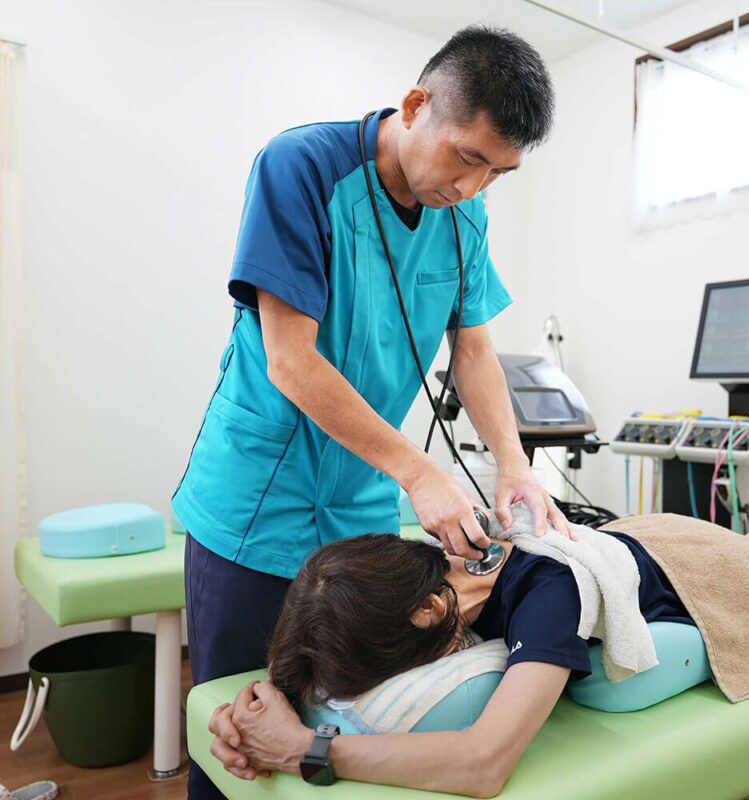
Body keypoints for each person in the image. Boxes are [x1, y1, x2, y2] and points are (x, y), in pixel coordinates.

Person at [170, 26, 570, 799]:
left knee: (346, 722)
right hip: (257, 500)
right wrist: (421, 474)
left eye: (498, 172)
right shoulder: (302, 167)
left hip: (360, 510)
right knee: (235, 742)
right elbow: (291, 358)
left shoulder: (465, 220)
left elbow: (475, 352)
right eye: (466, 157)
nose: (474, 187)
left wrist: (515, 465)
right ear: (416, 105)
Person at [208, 523, 698, 797]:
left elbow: (484, 764)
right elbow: (313, 641)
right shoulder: (403, 574)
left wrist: (302, 750)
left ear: (431, 612)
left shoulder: (548, 596)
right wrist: (248, 716)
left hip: (690, 569)